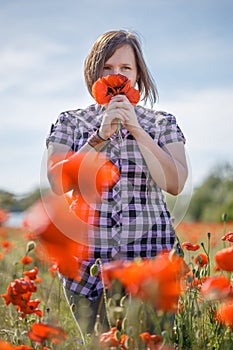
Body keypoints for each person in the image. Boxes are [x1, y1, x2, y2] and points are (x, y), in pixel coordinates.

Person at [46, 29, 188, 336]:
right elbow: (58, 183)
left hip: (150, 259)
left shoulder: (162, 122)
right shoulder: (71, 121)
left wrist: (137, 130)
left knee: (149, 343)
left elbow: (175, 183)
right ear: (94, 74)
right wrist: (99, 137)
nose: (117, 76)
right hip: (86, 266)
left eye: (126, 68)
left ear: (138, 75)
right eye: (108, 68)